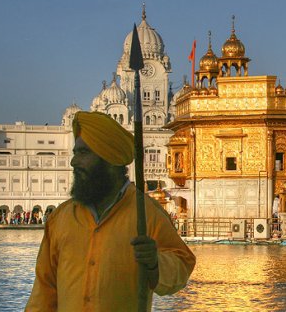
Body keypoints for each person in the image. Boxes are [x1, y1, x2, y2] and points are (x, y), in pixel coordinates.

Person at [26, 111, 196, 311]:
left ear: (107, 158)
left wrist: (155, 262)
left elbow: (182, 265)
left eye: (83, 153)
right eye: (75, 153)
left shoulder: (145, 213)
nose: (74, 162)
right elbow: (44, 292)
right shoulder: (61, 218)